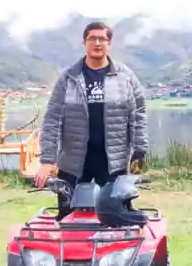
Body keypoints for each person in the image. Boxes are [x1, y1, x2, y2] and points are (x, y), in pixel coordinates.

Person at [36, 21, 149, 219]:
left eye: (102, 39)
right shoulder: (69, 78)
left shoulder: (125, 77)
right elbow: (52, 119)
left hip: (114, 161)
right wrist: (47, 160)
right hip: (74, 161)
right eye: (92, 39)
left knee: (119, 217)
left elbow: (139, 113)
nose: (97, 43)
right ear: (84, 42)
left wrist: (139, 149)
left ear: (109, 44)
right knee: (69, 218)